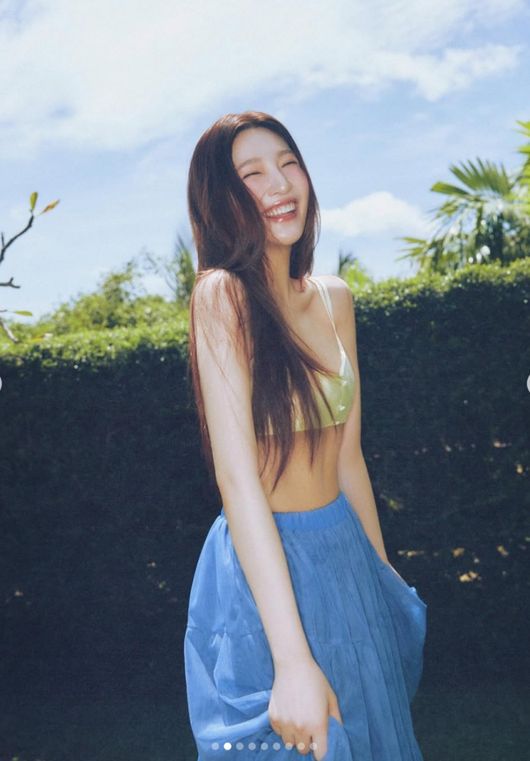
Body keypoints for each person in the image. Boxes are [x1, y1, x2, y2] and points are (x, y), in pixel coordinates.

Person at [183, 110, 427, 760]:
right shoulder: (222, 298)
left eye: (288, 162)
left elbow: (349, 459)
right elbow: (238, 480)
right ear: (220, 198)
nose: (280, 183)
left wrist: (382, 580)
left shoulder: (334, 298)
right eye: (253, 173)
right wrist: (292, 660)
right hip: (268, 568)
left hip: (345, 554)